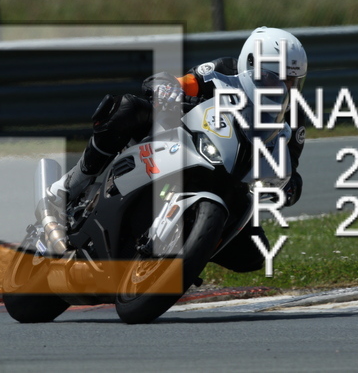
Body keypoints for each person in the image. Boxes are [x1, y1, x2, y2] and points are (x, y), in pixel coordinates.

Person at [49, 27, 308, 273]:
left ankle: (187, 253)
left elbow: (289, 165)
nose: (285, 88)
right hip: (188, 143)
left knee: (254, 254)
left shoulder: (294, 116)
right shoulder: (222, 71)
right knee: (127, 109)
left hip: (234, 181)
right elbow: (182, 83)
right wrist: (168, 89)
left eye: (293, 82)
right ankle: (69, 186)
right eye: (277, 78)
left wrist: (289, 186)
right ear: (251, 65)